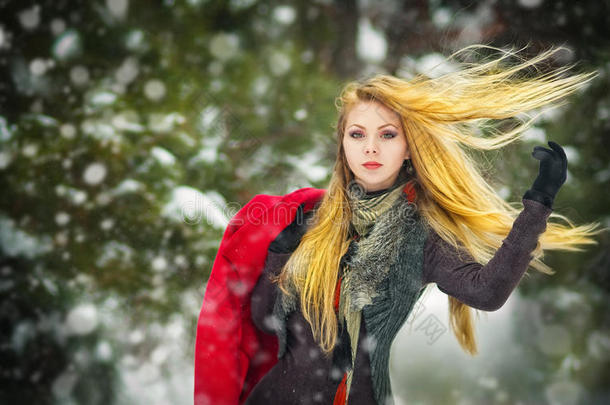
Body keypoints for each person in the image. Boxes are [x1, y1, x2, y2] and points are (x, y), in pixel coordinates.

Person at [193, 46, 605, 405]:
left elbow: (488, 291)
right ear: (344, 147)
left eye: (387, 135)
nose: (370, 147)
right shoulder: (311, 221)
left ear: (408, 149)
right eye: (357, 134)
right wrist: (280, 254)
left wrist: (539, 203)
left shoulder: (421, 236)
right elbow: (268, 319)